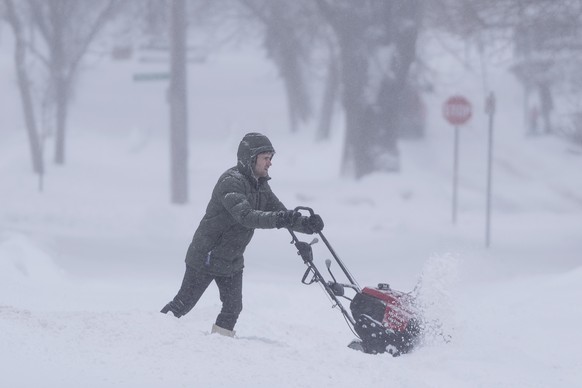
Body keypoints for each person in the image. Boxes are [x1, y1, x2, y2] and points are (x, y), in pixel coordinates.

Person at [160, 132, 324, 337]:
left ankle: (220, 346)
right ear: (250, 158)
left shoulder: (261, 185)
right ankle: (154, 333)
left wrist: (306, 224)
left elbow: (281, 212)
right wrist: (280, 218)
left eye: (271, 158)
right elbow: (246, 216)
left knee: (233, 308)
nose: (270, 163)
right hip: (206, 256)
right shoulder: (231, 182)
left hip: (232, 259)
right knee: (182, 304)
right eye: (266, 158)